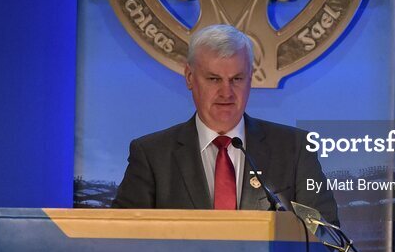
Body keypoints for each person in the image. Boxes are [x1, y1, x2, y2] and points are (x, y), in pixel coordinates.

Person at [113, 24, 339, 224]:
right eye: (214, 79)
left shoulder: (295, 149)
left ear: (251, 78)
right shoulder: (152, 155)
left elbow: (329, 245)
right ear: (190, 78)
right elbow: (121, 242)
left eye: (237, 79)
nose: (226, 92)